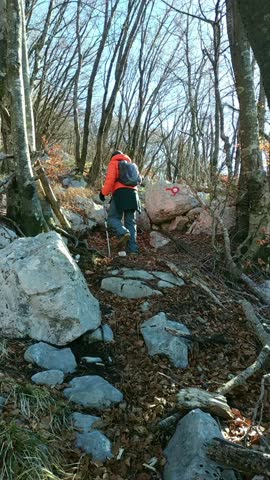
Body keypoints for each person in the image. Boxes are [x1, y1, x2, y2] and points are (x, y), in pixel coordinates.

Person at [99, 150, 141, 255]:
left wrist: (103, 193)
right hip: (134, 195)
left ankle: (123, 232)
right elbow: (139, 180)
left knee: (112, 218)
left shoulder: (114, 162)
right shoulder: (132, 165)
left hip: (120, 194)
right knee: (130, 222)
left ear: (113, 156)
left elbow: (110, 179)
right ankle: (133, 250)